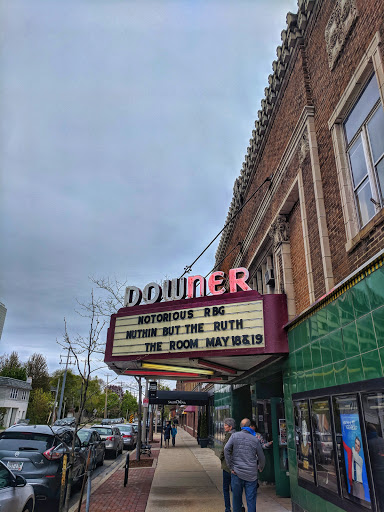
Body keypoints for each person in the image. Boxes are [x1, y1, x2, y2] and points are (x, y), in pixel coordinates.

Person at [224, 418, 265, 512]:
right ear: (250, 426)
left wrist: (230, 466)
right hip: (251, 474)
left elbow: (226, 449)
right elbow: (261, 457)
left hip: (236, 473)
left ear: (241, 427)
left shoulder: (234, 436)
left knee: (237, 499)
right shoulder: (255, 439)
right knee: (251, 500)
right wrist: (260, 467)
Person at [219, 418, 236, 512]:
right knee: (235, 488)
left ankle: (227, 508)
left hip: (227, 466)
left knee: (226, 488)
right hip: (236, 465)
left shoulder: (229, 436)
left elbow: (224, 450)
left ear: (230, 427)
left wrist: (221, 458)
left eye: (225, 425)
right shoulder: (237, 435)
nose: (224, 426)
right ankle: (238, 506)